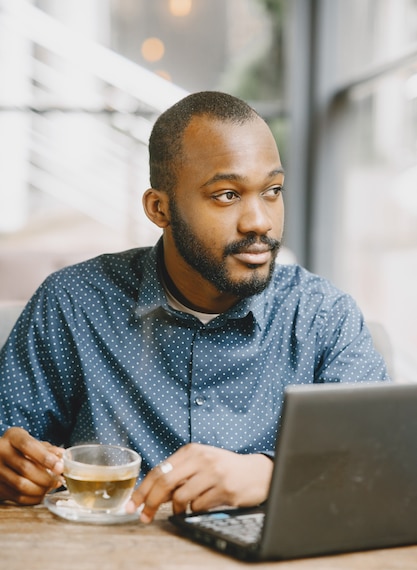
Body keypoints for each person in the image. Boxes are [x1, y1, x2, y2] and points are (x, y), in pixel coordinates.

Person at [0, 91, 389, 522]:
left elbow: (383, 466)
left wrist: (273, 475)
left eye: (273, 191)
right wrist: (11, 470)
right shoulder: (72, 305)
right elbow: (12, 448)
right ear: (159, 208)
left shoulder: (324, 316)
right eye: (226, 195)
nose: (259, 221)